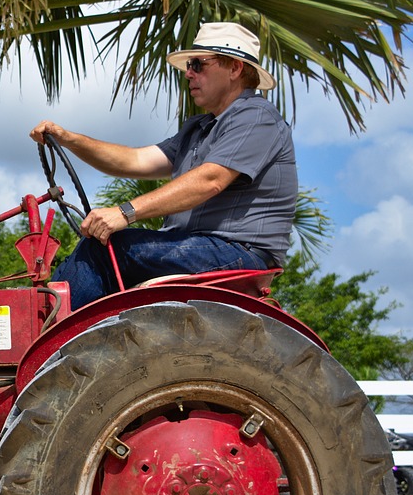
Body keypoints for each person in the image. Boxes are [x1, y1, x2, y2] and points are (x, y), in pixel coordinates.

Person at [31, 21, 297, 310]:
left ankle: (45, 332)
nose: (188, 73)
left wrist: (125, 213)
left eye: (198, 64)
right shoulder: (199, 129)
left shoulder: (255, 116)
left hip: (237, 251)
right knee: (105, 249)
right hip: (202, 247)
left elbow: (211, 179)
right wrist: (69, 139)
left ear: (234, 68)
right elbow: (134, 160)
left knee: (104, 250)